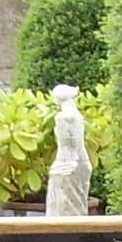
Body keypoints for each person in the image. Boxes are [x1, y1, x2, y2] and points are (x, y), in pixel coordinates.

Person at [45, 84, 91, 217]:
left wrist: (67, 164)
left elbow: (70, 143)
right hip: (79, 160)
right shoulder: (77, 116)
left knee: (65, 202)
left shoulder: (63, 117)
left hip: (67, 162)